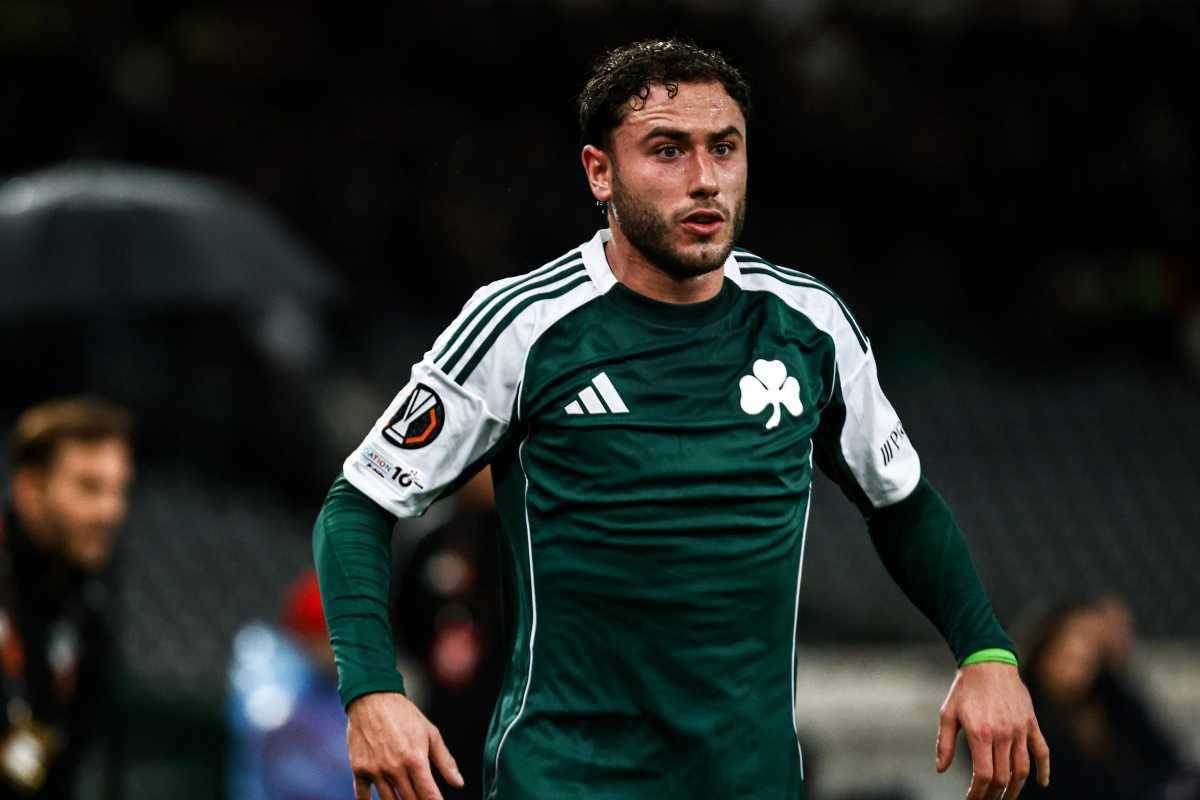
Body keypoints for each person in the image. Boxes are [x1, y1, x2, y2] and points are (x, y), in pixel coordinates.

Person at [313, 39, 1050, 800]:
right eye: (667, 151)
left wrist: (986, 652)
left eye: (724, 148)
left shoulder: (809, 325)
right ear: (600, 172)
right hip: (567, 783)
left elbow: (902, 504)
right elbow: (358, 504)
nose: (705, 179)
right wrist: (372, 691)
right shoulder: (523, 326)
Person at [1, 398, 133, 799]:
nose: (111, 511)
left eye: (119, 490)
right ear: (29, 490)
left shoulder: (88, 602)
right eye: (89, 487)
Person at [1021, 597, 1199, 799]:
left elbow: (1166, 759)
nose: (1080, 653)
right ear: (1046, 650)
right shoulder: (1029, 715)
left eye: (1091, 646)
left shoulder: (1110, 699)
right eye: (1068, 651)